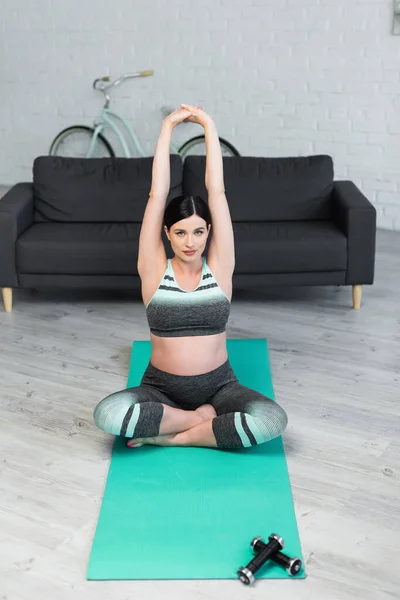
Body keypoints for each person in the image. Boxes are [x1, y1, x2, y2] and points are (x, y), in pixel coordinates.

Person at [93, 103, 288, 450]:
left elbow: (218, 192)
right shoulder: (154, 271)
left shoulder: (219, 269)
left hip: (220, 388)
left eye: (198, 232)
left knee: (272, 420)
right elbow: (156, 195)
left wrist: (208, 126)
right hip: (160, 388)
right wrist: (167, 126)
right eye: (180, 233)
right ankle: (200, 422)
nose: (190, 242)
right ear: (167, 234)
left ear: (208, 232)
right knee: (108, 414)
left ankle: (171, 438)